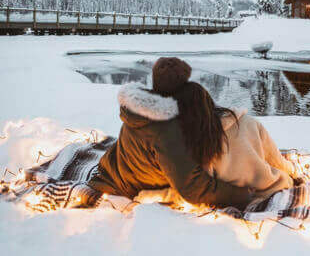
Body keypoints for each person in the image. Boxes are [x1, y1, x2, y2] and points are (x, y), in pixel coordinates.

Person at [88, 57, 254, 210]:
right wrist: (243, 194)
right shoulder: (167, 130)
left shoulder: (140, 107)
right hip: (121, 188)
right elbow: (195, 189)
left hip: (111, 171)